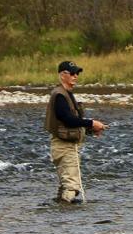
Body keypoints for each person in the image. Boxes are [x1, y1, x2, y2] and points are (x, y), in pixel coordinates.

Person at [44, 60, 107, 204]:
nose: (75, 76)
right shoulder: (60, 95)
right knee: (72, 187)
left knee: (65, 186)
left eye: (77, 73)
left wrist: (90, 130)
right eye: (72, 73)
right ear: (62, 75)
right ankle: (67, 221)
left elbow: (71, 122)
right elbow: (67, 120)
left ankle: (60, 211)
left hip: (65, 146)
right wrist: (91, 123)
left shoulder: (66, 94)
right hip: (64, 146)